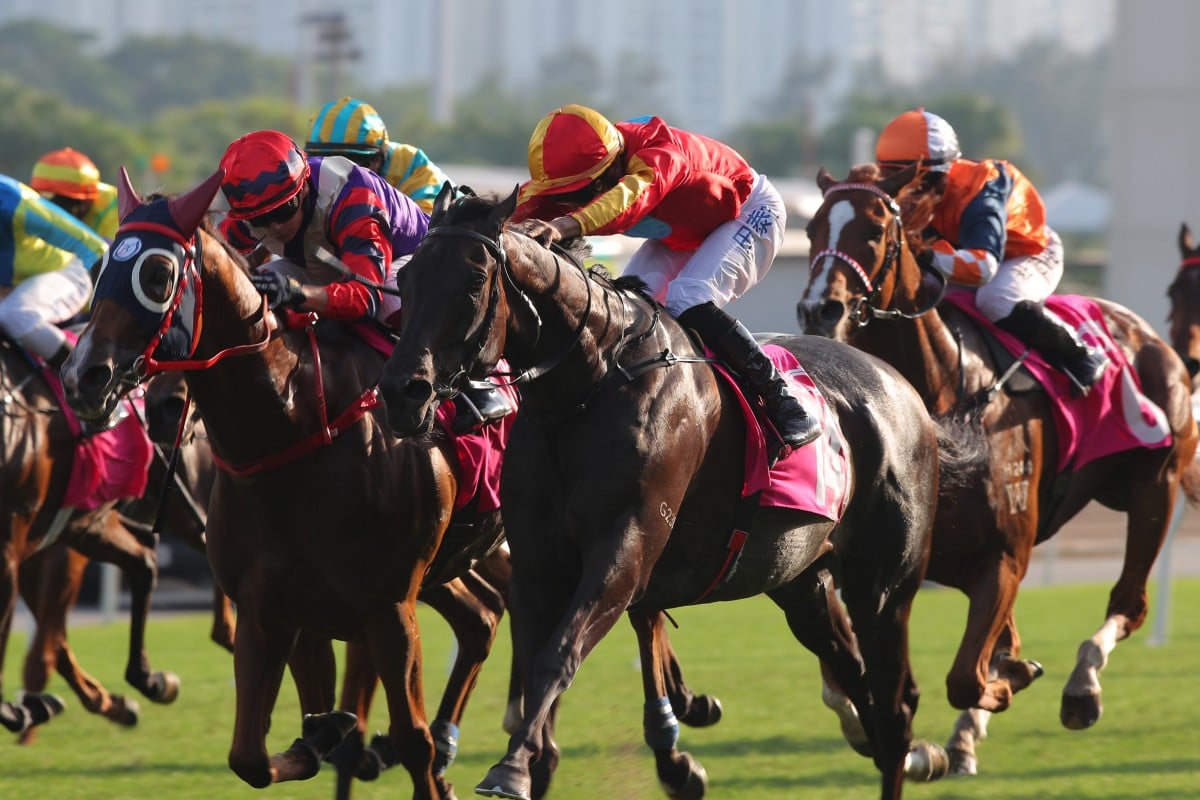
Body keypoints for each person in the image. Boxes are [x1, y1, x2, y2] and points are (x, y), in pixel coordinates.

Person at [511, 103, 819, 449]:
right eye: (564, 198)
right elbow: (522, 207)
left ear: (612, 169)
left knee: (688, 298)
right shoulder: (589, 168)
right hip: (685, 232)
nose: (571, 204)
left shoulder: (657, 155)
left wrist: (565, 225)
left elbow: (627, 200)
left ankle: (784, 401)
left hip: (749, 211)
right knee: (626, 308)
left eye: (579, 194)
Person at [216, 130, 509, 431]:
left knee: (391, 302)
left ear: (303, 187)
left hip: (410, 262)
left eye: (283, 211)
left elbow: (366, 300)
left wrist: (300, 294)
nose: (275, 226)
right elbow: (208, 255)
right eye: (260, 219)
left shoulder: (353, 197)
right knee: (253, 290)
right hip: (332, 262)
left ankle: (473, 386)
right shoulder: (249, 212)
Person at [875, 107, 1108, 392]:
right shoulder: (912, 193)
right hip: (965, 253)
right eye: (893, 177)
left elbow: (982, 269)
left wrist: (922, 253)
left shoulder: (980, 190)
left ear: (938, 174)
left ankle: (1081, 354)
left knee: (996, 299)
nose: (903, 190)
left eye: (912, 179)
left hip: (1028, 253)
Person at [0, 174, 106, 370]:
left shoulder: (11, 201)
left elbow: (94, 247)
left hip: (67, 273)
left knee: (14, 314)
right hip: (13, 287)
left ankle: (85, 376)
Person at [304, 96, 453, 215]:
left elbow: (425, 232)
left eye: (349, 163)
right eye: (322, 161)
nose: (335, 174)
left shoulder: (413, 168)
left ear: (378, 158)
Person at [30, 147, 120, 241]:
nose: (56, 214)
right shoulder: (30, 206)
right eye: (47, 204)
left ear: (86, 202)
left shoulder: (117, 211)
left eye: (63, 203)